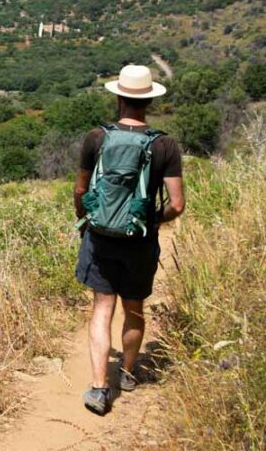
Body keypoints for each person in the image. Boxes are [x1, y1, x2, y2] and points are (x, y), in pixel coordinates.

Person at [74, 64, 185, 416]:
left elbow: (80, 189)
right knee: (133, 309)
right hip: (140, 241)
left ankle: (98, 388)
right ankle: (127, 373)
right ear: (148, 102)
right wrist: (151, 222)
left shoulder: (97, 138)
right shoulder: (165, 145)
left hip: (100, 237)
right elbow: (178, 204)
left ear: (119, 98)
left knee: (101, 311)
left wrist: (85, 219)